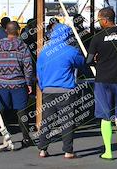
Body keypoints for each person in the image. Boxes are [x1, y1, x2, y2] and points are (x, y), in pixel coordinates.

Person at [87, 7, 117, 160]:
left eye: (99, 20)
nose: (99, 23)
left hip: (103, 80)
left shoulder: (98, 37)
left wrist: (95, 61)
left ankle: (108, 152)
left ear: (105, 20)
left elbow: (88, 61)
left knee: (105, 117)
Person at [0, 21, 33, 151]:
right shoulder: (23, 46)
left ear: (6, 31)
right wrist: (29, 83)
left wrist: (0, 80)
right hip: (19, 83)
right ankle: (26, 138)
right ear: (18, 30)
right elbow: (28, 67)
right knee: (21, 111)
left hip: (3, 84)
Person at [37, 23, 84, 158]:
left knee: (46, 121)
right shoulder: (71, 51)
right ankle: (68, 151)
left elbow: (39, 71)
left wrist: (42, 87)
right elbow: (81, 63)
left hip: (48, 90)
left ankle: (42, 149)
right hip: (66, 90)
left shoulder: (44, 52)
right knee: (67, 122)